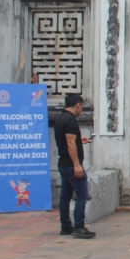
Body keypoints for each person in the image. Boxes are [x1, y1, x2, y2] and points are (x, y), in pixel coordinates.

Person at [54, 93, 94, 239]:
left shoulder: (60, 118)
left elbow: (69, 141)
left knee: (65, 196)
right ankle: (79, 226)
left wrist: (79, 140)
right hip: (71, 165)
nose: (81, 110)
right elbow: (70, 143)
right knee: (82, 194)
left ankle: (65, 226)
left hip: (63, 163)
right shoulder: (70, 121)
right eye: (81, 107)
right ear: (78, 105)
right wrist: (77, 165)